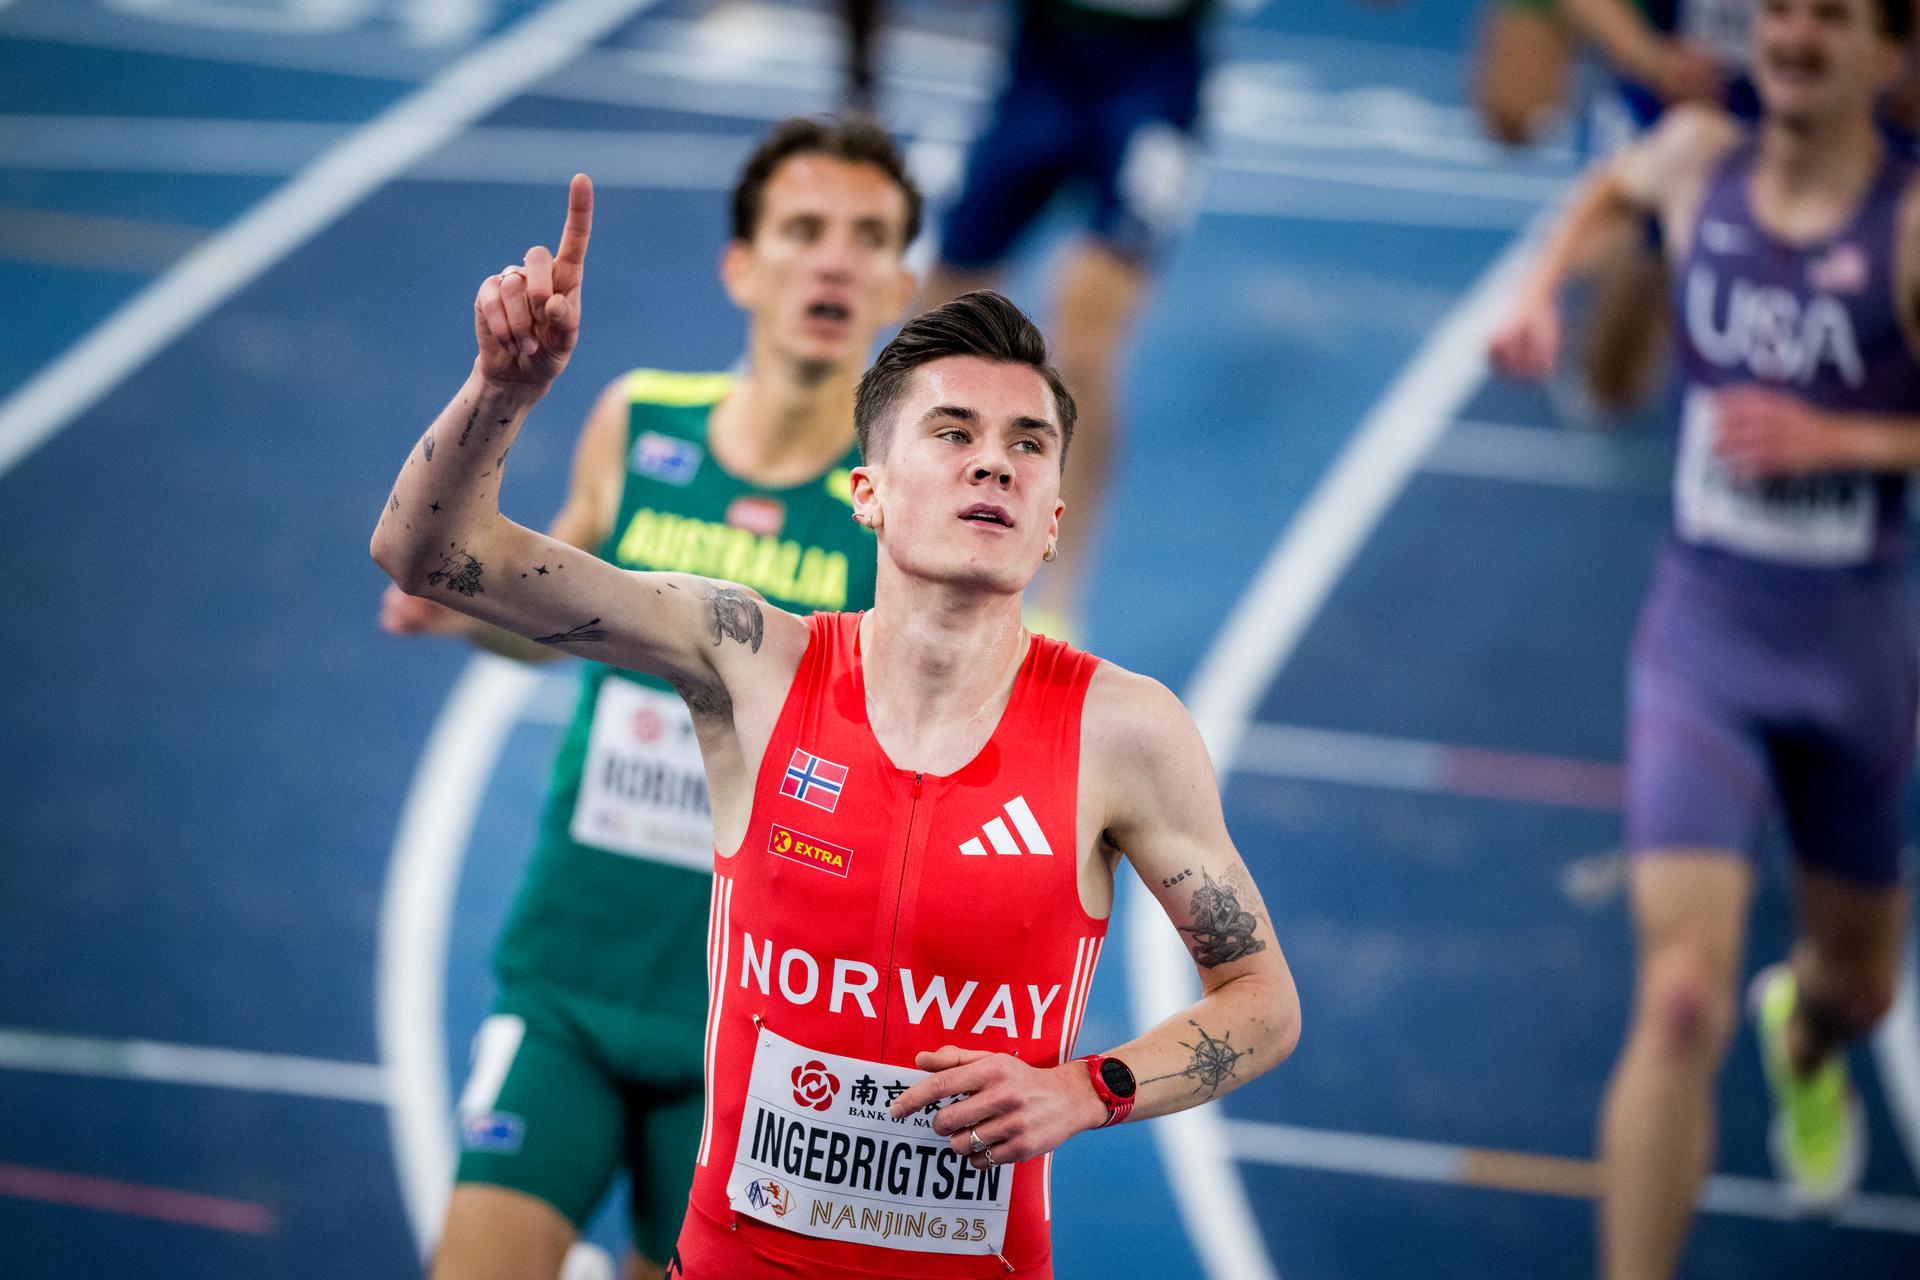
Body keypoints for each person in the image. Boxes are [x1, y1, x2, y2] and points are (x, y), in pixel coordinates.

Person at [370, 174, 1300, 1277]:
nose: (993, 459)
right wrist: (500, 389)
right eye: (952, 432)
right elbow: (428, 554)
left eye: (1027, 442)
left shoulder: (1125, 731)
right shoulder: (748, 660)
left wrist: (1085, 1088)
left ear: (1053, 517)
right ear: (867, 492)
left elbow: (1263, 1001)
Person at [380, 116, 921, 1280]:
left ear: (900, 284)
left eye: (868, 237)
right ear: (743, 265)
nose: (834, 259)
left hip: (759, 1025)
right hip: (575, 970)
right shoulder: (642, 421)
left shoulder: (901, 517)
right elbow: (549, 625)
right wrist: (466, 612)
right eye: (804, 229)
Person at [1490, 0, 1920, 1273]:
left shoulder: (1905, 225)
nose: (1795, 37)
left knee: (1860, 988)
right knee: (1679, 998)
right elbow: (1608, 194)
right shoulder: (1695, 159)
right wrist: (1538, 294)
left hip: (1859, 658)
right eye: (1779, 9)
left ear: (1887, 53)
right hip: (1705, 642)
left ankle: (1806, 1036)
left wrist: (1850, 438)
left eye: (1832, 17)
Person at [916, 0, 1210, 639]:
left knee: (1086, 338)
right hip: (1044, 51)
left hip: (1155, 72)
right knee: (937, 321)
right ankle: (908, 546)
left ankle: (1057, 604)